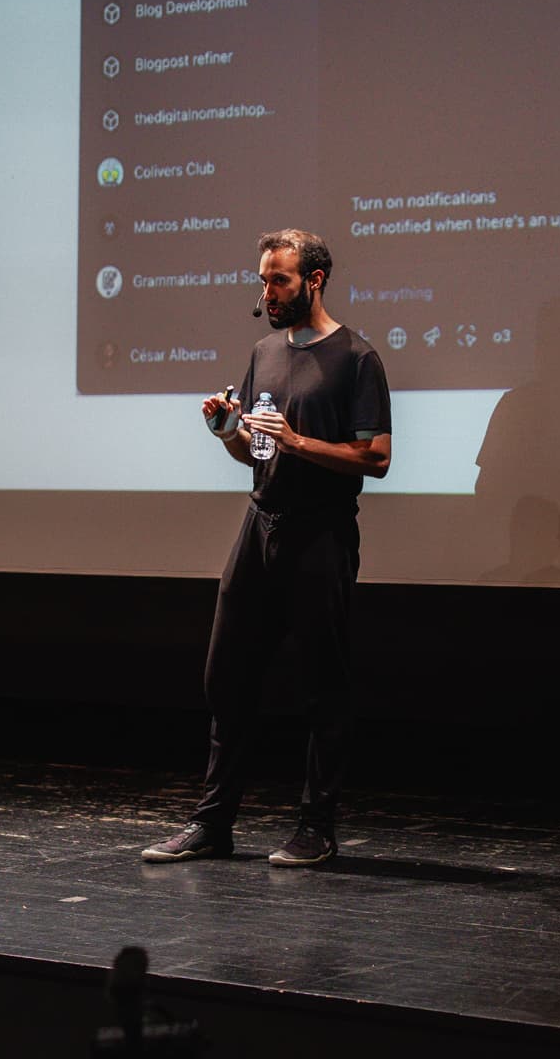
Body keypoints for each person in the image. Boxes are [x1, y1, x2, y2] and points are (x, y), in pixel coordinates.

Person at [143, 229, 392, 867]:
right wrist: (225, 430)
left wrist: (299, 440)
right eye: (262, 279)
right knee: (225, 675)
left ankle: (316, 827)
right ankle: (213, 824)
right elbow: (256, 451)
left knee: (322, 686)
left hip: (321, 533)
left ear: (314, 280)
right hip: (261, 526)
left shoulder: (357, 359)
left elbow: (378, 459)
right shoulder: (263, 352)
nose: (267, 292)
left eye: (279, 280)